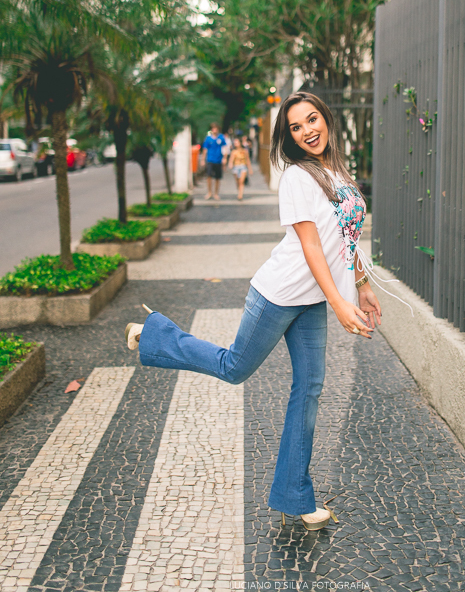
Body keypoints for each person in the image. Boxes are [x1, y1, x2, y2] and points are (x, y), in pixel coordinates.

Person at [124, 92, 382, 530]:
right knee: (234, 367)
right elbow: (311, 246)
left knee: (310, 388)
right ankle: (151, 334)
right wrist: (339, 302)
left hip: (311, 300)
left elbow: (346, 234)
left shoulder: (337, 170)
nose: (307, 131)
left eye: (312, 120)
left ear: (326, 119)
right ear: (290, 137)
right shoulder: (298, 178)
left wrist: (361, 285)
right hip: (278, 293)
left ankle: (294, 497)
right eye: (296, 127)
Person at [199, 123, 227, 200]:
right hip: (210, 159)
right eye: (213, 128)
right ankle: (209, 192)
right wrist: (203, 160)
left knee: (217, 178)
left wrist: (225, 158)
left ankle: (216, 193)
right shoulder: (208, 138)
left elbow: (225, 148)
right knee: (209, 177)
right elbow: (205, 149)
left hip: (218, 160)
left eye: (216, 128)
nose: (215, 130)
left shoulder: (221, 137)